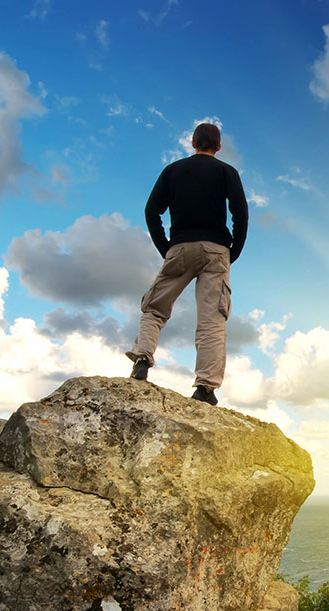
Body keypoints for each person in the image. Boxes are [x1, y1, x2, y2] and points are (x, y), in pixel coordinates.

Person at [126, 122, 248, 406]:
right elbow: (241, 213)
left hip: (180, 246)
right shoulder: (227, 171)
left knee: (155, 307)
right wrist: (233, 251)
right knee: (211, 320)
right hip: (216, 250)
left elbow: (151, 211)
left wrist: (165, 248)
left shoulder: (173, 170)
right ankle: (205, 388)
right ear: (218, 147)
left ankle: (142, 359)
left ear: (193, 143)